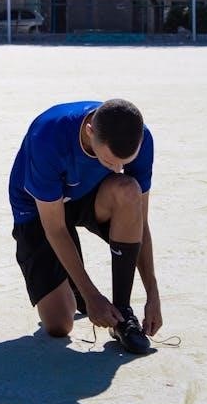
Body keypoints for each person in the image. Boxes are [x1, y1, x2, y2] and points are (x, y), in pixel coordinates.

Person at [9, 98, 162, 354]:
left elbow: (140, 223)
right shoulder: (47, 137)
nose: (118, 168)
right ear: (90, 132)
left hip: (91, 196)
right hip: (38, 209)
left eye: (125, 162)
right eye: (110, 161)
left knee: (128, 190)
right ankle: (75, 289)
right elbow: (56, 228)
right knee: (59, 325)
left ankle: (122, 313)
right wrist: (91, 295)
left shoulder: (141, 137)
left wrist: (153, 294)